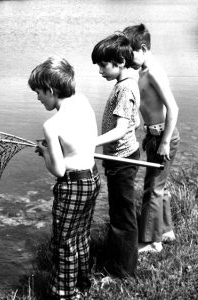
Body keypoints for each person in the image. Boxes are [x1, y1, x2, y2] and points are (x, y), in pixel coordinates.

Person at [28, 56, 101, 300]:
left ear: (50, 90)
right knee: (81, 236)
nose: (37, 98)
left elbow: (58, 170)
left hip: (72, 187)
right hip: (92, 179)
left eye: (38, 92)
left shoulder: (52, 125)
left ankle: (64, 294)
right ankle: (84, 284)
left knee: (64, 243)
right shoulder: (82, 100)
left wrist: (46, 152)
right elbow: (83, 144)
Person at [123, 23, 180, 253]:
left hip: (164, 137)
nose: (128, 60)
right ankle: (165, 231)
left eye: (131, 55)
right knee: (160, 186)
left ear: (144, 48)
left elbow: (173, 108)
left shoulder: (154, 71)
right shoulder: (142, 72)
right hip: (154, 136)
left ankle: (150, 242)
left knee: (152, 189)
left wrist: (165, 141)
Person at [91, 33, 141, 278]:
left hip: (122, 160)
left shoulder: (125, 88)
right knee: (119, 211)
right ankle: (116, 261)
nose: (100, 70)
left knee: (123, 217)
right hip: (121, 156)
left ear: (120, 61)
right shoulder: (127, 83)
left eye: (103, 65)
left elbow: (121, 129)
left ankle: (123, 273)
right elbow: (136, 121)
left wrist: (90, 143)